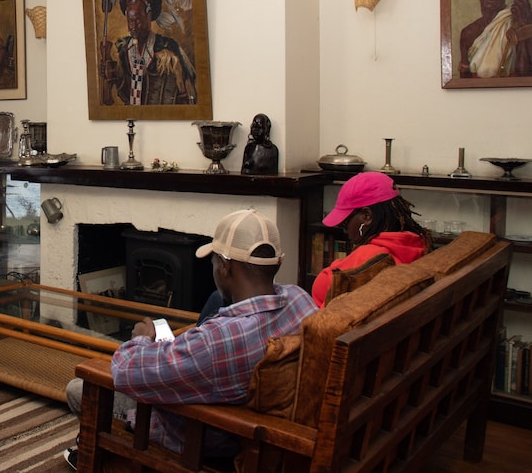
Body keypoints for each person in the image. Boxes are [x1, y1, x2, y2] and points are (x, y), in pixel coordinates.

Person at [62, 209, 317, 469]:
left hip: (202, 434)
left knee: (77, 389)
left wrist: (142, 339)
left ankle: (104, 458)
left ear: (225, 265)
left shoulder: (217, 341)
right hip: (251, 421)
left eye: (214, 261)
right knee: (215, 302)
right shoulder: (301, 300)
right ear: (277, 263)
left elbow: (125, 371)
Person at [311, 171, 431, 307]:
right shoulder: (419, 243)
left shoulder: (371, 257)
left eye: (345, 223)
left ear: (367, 216)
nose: (345, 231)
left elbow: (324, 285)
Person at [100, 0, 197, 106]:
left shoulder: (168, 50)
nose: (133, 26)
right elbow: (114, 97)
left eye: (137, 19)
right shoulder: (122, 52)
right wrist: (109, 78)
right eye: (130, 20)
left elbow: (188, 96)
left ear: (148, 16)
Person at [458, 0, 532, 78]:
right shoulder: (468, 33)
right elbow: (464, 82)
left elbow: (525, 76)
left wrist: (525, 26)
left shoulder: (522, 20)